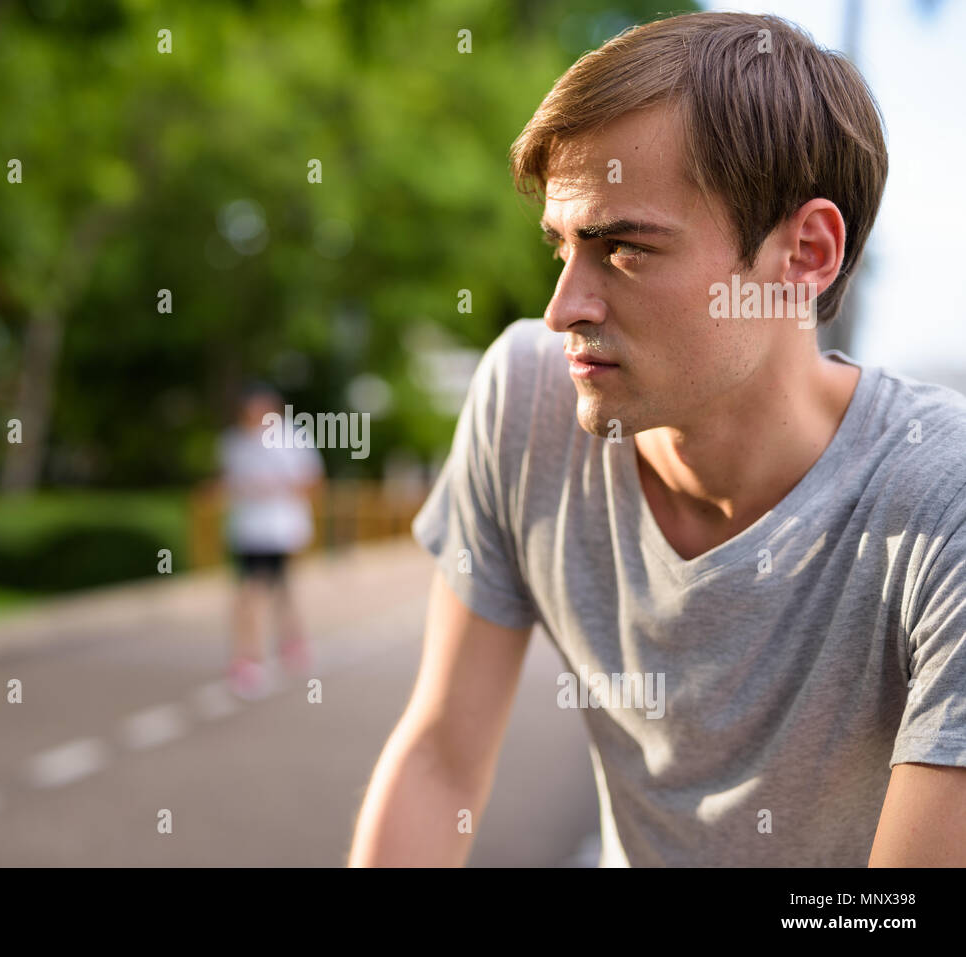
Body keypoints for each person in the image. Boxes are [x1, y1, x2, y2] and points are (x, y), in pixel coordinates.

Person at [349, 11, 966, 867]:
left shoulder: (944, 498)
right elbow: (442, 758)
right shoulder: (527, 400)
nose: (563, 308)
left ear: (805, 253)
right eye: (562, 247)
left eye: (625, 249)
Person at [217, 383, 325, 700]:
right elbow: (228, 481)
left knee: (281, 591)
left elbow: (312, 483)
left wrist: (273, 486)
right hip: (247, 530)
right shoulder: (233, 442)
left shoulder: (292, 438)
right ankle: (248, 657)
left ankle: (289, 643)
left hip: (282, 530)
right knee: (250, 593)